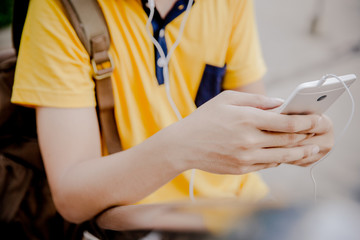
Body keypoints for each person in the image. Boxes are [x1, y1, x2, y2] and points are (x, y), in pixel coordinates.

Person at [11, 0, 333, 225]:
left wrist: (298, 137)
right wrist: (182, 148)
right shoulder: (60, 8)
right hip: (142, 219)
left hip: (243, 206)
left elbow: (255, 114)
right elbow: (72, 196)